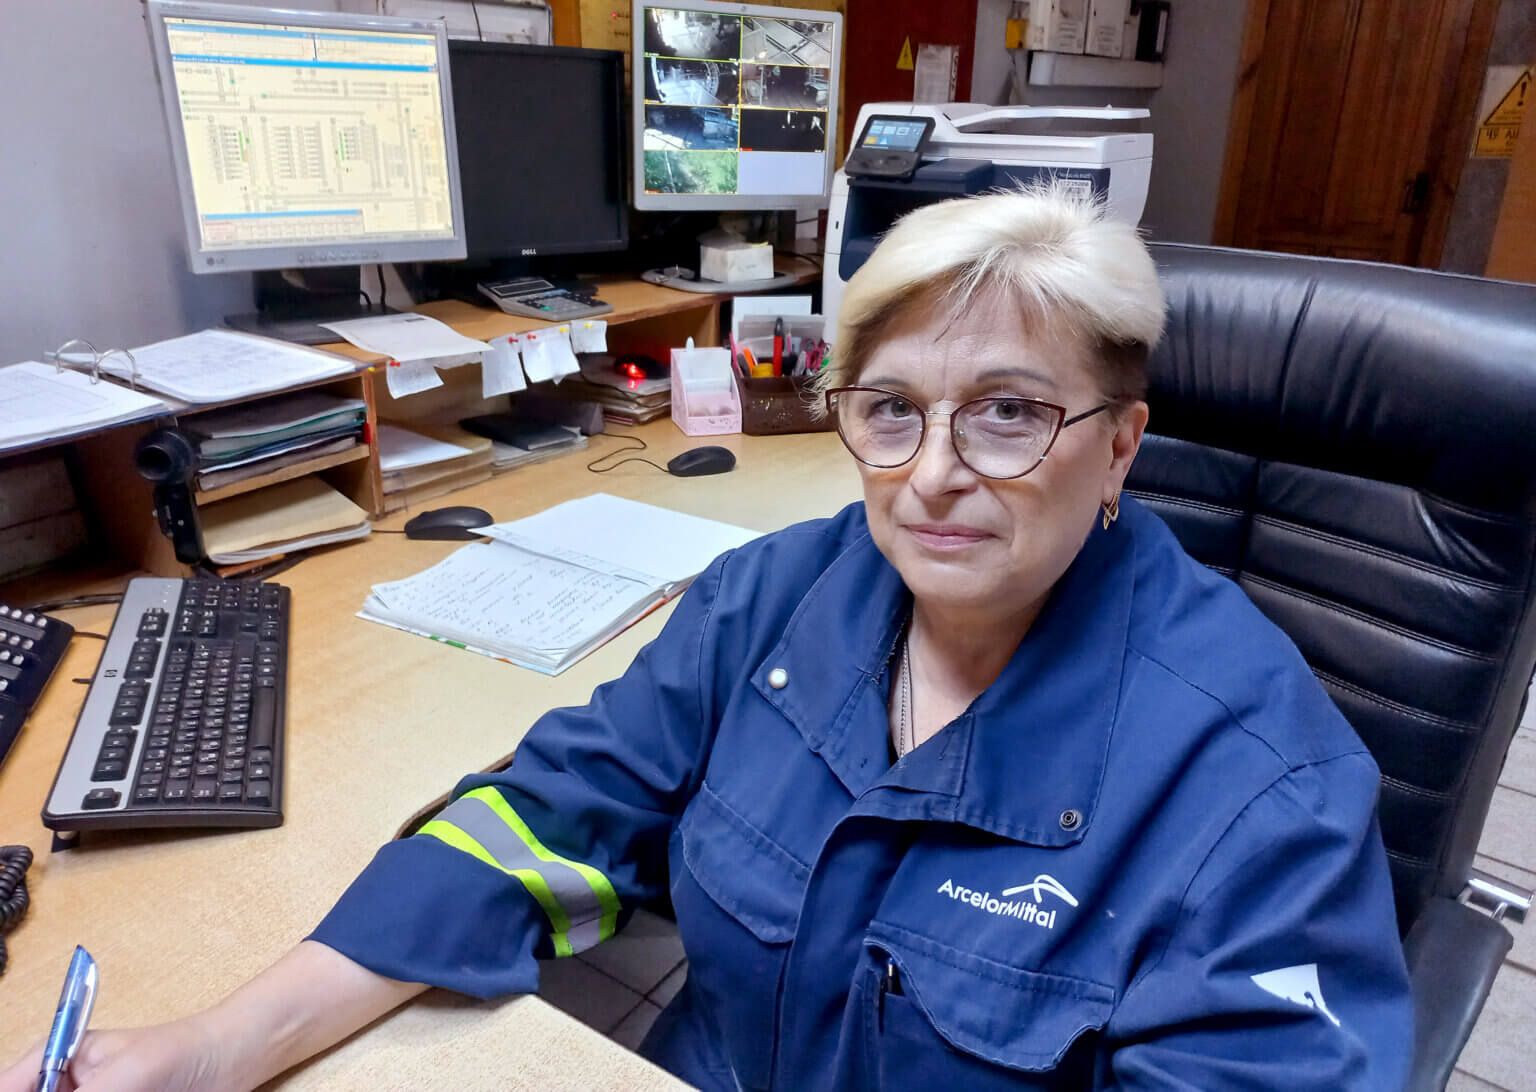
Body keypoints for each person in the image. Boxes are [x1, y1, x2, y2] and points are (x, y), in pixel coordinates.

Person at [0, 186, 1413, 1091]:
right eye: (892, 408)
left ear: (1119, 447)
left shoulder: (1263, 791)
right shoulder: (777, 601)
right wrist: (213, 1048)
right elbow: (542, 823)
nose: (930, 476)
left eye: (1007, 412)